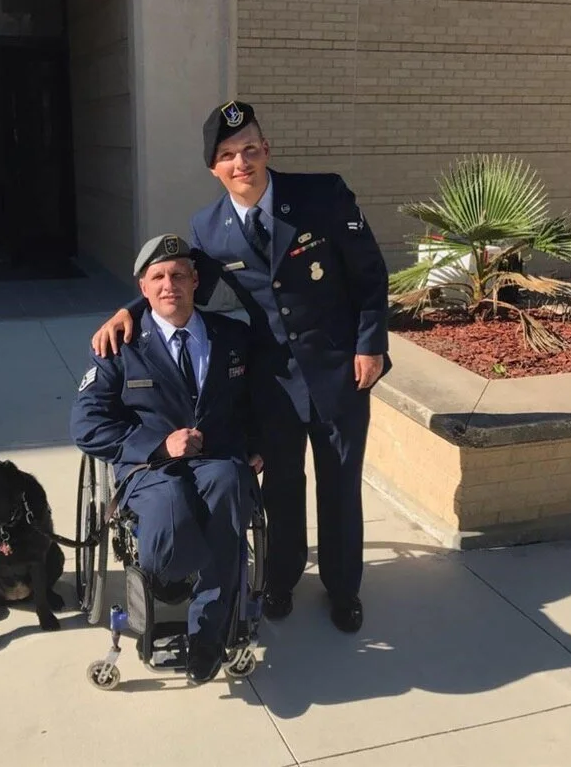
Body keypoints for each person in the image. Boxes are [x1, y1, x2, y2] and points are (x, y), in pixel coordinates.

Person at [91, 101, 391, 633]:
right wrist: (130, 309)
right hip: (271, 380)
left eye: (249, 149)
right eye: (228, 155)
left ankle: (345, 589)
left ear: (266, 150)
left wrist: (371, 344)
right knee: (280, 485)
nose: (241, 162)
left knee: (339, 485)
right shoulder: (208, 226)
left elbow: (369, 274)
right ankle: (282, 577)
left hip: (339, 371)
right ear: (214, 168)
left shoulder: (323, 195)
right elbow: (181, 285)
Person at [70, 233, 263, 685]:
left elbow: (262, 402)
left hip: (217, 460)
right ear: (143, 288)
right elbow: (86, 426)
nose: (168, 284)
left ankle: (208, 631)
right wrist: (158, 446)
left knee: (230, 482)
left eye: (178, 274)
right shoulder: (120, 346)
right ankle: (182, 581)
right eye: (157, 277)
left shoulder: (234, 337)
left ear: (197, 281)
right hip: (151, 470)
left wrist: (260, 444)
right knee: (177, 518)